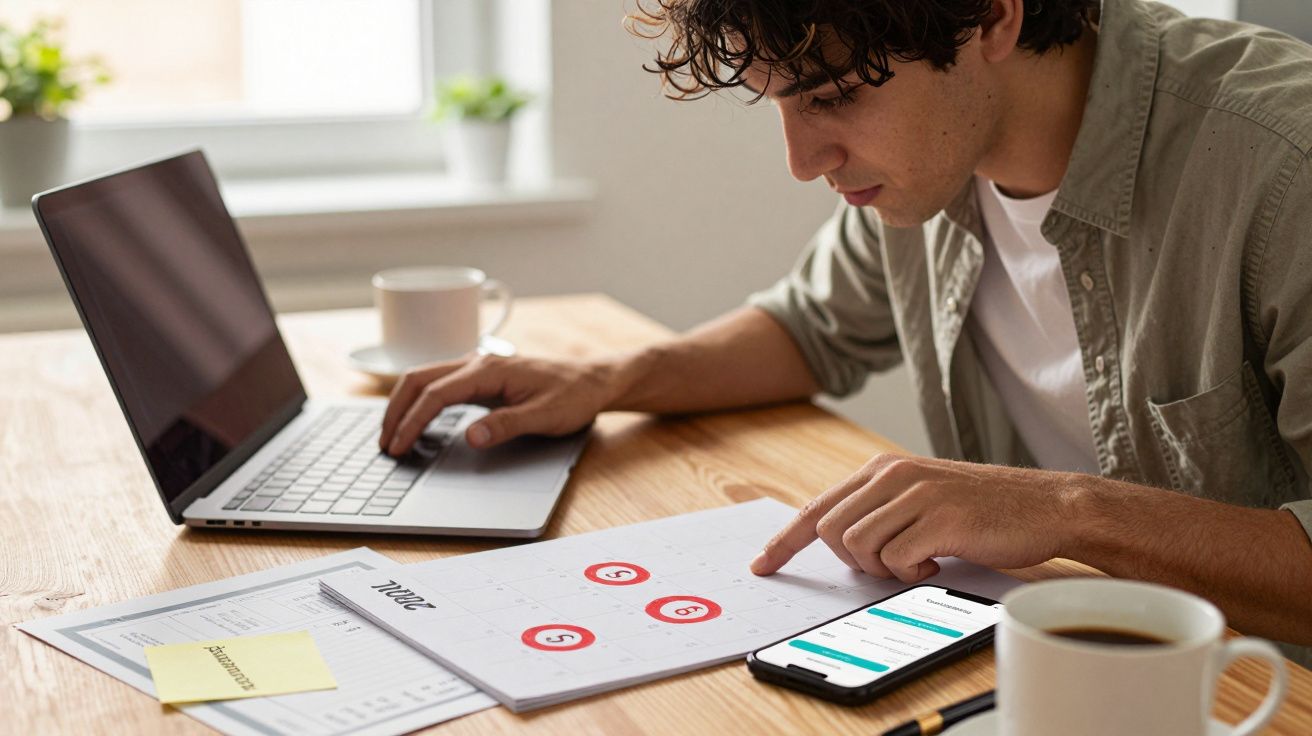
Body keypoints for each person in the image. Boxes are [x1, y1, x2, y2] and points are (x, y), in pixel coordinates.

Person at [379, 0, 1312, 665]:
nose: (802, 160)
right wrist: (611, 379)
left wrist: (1067, 511)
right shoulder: (932, 163)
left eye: (830, 98)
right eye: (777, 102)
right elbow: (810, 326)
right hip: (1046, 660)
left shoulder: (1284, 168)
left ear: (993, 17)